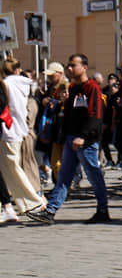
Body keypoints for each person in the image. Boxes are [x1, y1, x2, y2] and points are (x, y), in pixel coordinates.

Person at [27, 54, 111, 224]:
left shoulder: (92, 88)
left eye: (74, 65)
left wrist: (83, 136)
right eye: (69, 66)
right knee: (64, 176)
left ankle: (103, 210)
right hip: (71, 138)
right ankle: (50, 211)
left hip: (85, 140)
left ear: (85, 67)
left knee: (94, 175)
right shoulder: (72, 88)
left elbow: (95, 115)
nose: (70, 69)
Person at [0, 57, 46, 217]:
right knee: (12, 168)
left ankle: (34, 201)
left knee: (13, 168)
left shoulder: (7, 84)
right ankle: (18, 204)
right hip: (19, 130)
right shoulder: (23, 85)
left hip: (9, 130)